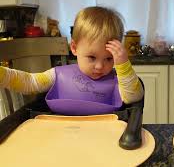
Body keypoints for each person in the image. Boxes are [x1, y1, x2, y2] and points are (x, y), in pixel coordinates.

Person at [0, 6, 144, 115]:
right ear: (74, 48)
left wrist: (123, 65)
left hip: (103, 139)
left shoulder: (118, 81)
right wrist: (3, 75)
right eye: (92, 57)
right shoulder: (57, 75)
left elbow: (134, 97)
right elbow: (30, 83)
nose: (100, 66)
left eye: (109, 58)